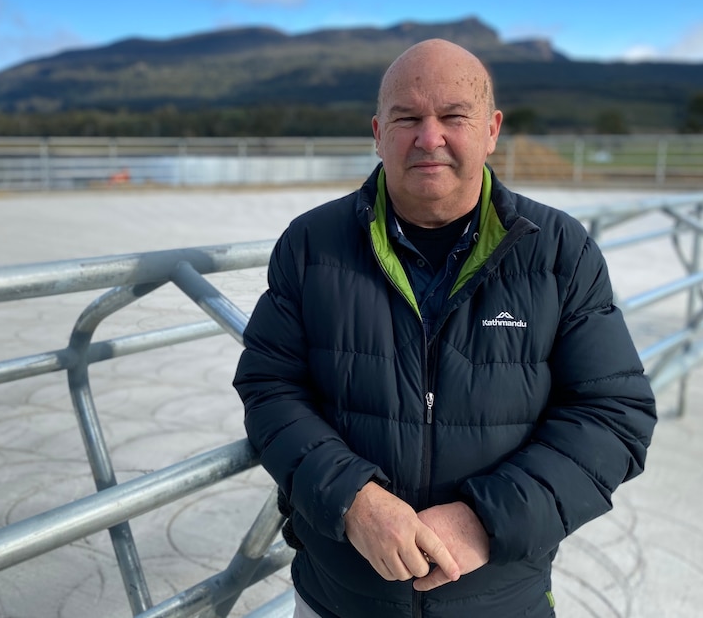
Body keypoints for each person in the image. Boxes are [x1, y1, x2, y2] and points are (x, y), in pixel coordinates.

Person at [233, 38, 657, 618]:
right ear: (378, 132)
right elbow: (270, 389)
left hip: (502, 601)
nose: (428, 138)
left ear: (491, 129)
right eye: (407, 118)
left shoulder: (560, 252)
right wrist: (353, 501)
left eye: (453, 116)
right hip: (339, 600)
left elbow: (614, 414)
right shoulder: (311, 245)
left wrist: (485, 519)